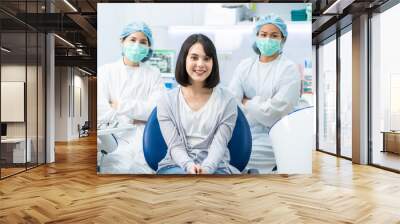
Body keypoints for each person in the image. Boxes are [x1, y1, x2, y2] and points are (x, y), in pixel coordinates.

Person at [156, 34, 239, 175]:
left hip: (216, 167)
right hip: (176, 166)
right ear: (184, 60)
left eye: (206, 58)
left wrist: (207, 169)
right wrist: (189, 166)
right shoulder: (167, 101)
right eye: (194, 57)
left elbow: (219, 145)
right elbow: (174, 145)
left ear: (213, 62)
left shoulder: (227, 100)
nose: (200, 64)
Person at [229, 14, 301, 174]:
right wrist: (261, 104)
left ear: (283, 39)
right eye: (263, 34)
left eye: (274, 35)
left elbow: (274, 112)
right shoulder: (244, 66)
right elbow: (232, 102)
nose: (268, 39)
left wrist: (247, 102)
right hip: (243, 133)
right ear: (256, 36)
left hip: (273, 138)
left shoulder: (288, 69)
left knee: (246, 163)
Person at [97, 21, 164, 174]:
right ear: (122, 41)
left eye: (143, 42)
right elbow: (101, 111)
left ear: (148, 47)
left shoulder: (154, 74)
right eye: (132, 40)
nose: (137, 45)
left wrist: (119, 105)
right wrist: (133, 119)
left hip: (145, 141)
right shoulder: (106, 72)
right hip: (114, 141)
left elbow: (156, 111)